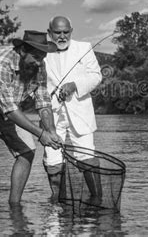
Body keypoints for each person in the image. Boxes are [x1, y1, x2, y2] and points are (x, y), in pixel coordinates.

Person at [0, 30, 63, 208]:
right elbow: (9, 109)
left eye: (42, 57)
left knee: (27, 152)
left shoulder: (39, 66)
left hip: (9, 109)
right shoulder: (0, 61)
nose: (39, 62)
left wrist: (51, 131)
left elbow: (43, 101)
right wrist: (41, 134)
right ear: (22, 51)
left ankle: (14, 206)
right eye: (35, 56)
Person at [43, 16, 103, 203]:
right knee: (52, 161)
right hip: (52, 114)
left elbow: (96, 76)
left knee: (87, 156)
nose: (62, 36)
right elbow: (36, 84)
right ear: (49, 32)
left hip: (80, 112)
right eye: (57, 32)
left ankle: (97, 200)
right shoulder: (42, 52)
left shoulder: (84, 48)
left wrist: (74, 85)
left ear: (71, 31)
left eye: (65, 32)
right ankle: (57, 203)